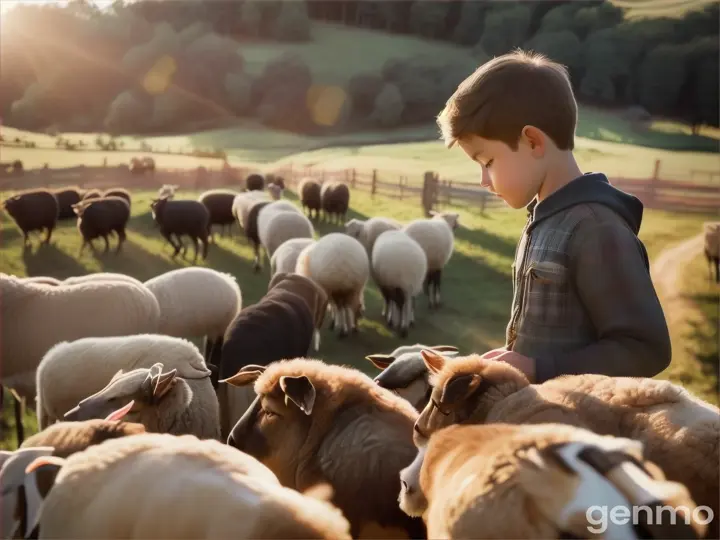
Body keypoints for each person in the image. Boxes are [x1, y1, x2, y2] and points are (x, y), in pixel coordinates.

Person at [436, 49, 671, 383]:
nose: (483, 181)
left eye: (487, 162)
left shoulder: (596, 229)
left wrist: (537, 370)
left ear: (533, 141)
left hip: (582, 428)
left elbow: (646, 349)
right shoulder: (542, 221)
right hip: (541, 420)